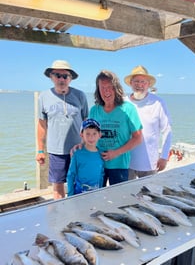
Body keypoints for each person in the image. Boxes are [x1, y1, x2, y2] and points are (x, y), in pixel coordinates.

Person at [36, 60, 88, 199]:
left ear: (70, 78)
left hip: (78, 149)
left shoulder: (80, 95)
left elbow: (86, 122)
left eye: (65, 76)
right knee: (58, 187)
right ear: (51, 77)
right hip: (55, 151)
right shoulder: (44, 97)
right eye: (57, 75)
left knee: (80, 183)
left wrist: (88, 146)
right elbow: (41, 125)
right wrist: (40, 150)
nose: (61, 79)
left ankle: (78, 212)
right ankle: (61, 216)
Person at [89, 70, 143, 186]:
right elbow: (88, 135)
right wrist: (82, 145)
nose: (106, 91)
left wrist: (116, 153)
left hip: (119, 164)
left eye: (110, 87)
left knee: (119, 201)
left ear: (116, 88)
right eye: (102, 87)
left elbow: (138, 138)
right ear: (98, 90)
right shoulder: (94, 110)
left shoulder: (128, 109)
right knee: (96, 198)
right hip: (98, 164)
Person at [124, 65, 172, 179]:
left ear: (149, 84)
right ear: (130, 83)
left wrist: (164, 156)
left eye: (143, 82)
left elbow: (167, 130)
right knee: (126, 195)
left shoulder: (158, 103)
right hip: (126, 161)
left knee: (149, 195)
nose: (139, 85)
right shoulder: (123, 102)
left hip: (150, 163)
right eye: (136, 81)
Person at [66, 118, 104, 196]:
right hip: (79, 193)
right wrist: (70, 195)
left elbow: (101, 175)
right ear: (81, 135)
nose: (91, 137)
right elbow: (70, 175)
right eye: (87, 134)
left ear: (100, 135)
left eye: (94, 133)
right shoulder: (77, 154)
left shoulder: (101, 154)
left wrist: (100, 191)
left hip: (96, 193)